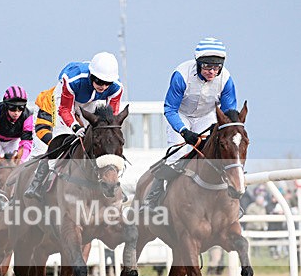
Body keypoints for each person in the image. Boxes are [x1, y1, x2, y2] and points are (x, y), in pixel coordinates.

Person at [145, 37, 237, 208]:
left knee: (215, 155)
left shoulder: (226, 79)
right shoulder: (181, 75)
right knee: (176, 156)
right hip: (181, 115)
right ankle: (153, 197)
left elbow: (229, 112)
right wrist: (184, 132)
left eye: (216, 67)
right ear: (198, 63)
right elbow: (170, 109)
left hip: (207, 117)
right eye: (207, 66)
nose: (212, 71)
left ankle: (231, 200)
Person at [24, 52, 123, 200]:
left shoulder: (116, 88)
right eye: (99, 82)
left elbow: (111, 118)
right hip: (65, 100)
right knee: (62, 138)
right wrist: (75, 127)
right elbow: (65, 110)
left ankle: (110, 183)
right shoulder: (73, 80)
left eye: (107, 83)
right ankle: (37, 183)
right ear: (91, 76)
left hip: (89, 101)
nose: (103, 87)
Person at [0, 86, 33, 160]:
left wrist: (21, 160)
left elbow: (26, 141)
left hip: (13, 142)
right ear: (6, 106)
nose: (16, 113)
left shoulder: (27, 116)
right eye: (12, 108)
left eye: (21, 108)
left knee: (19, 164)